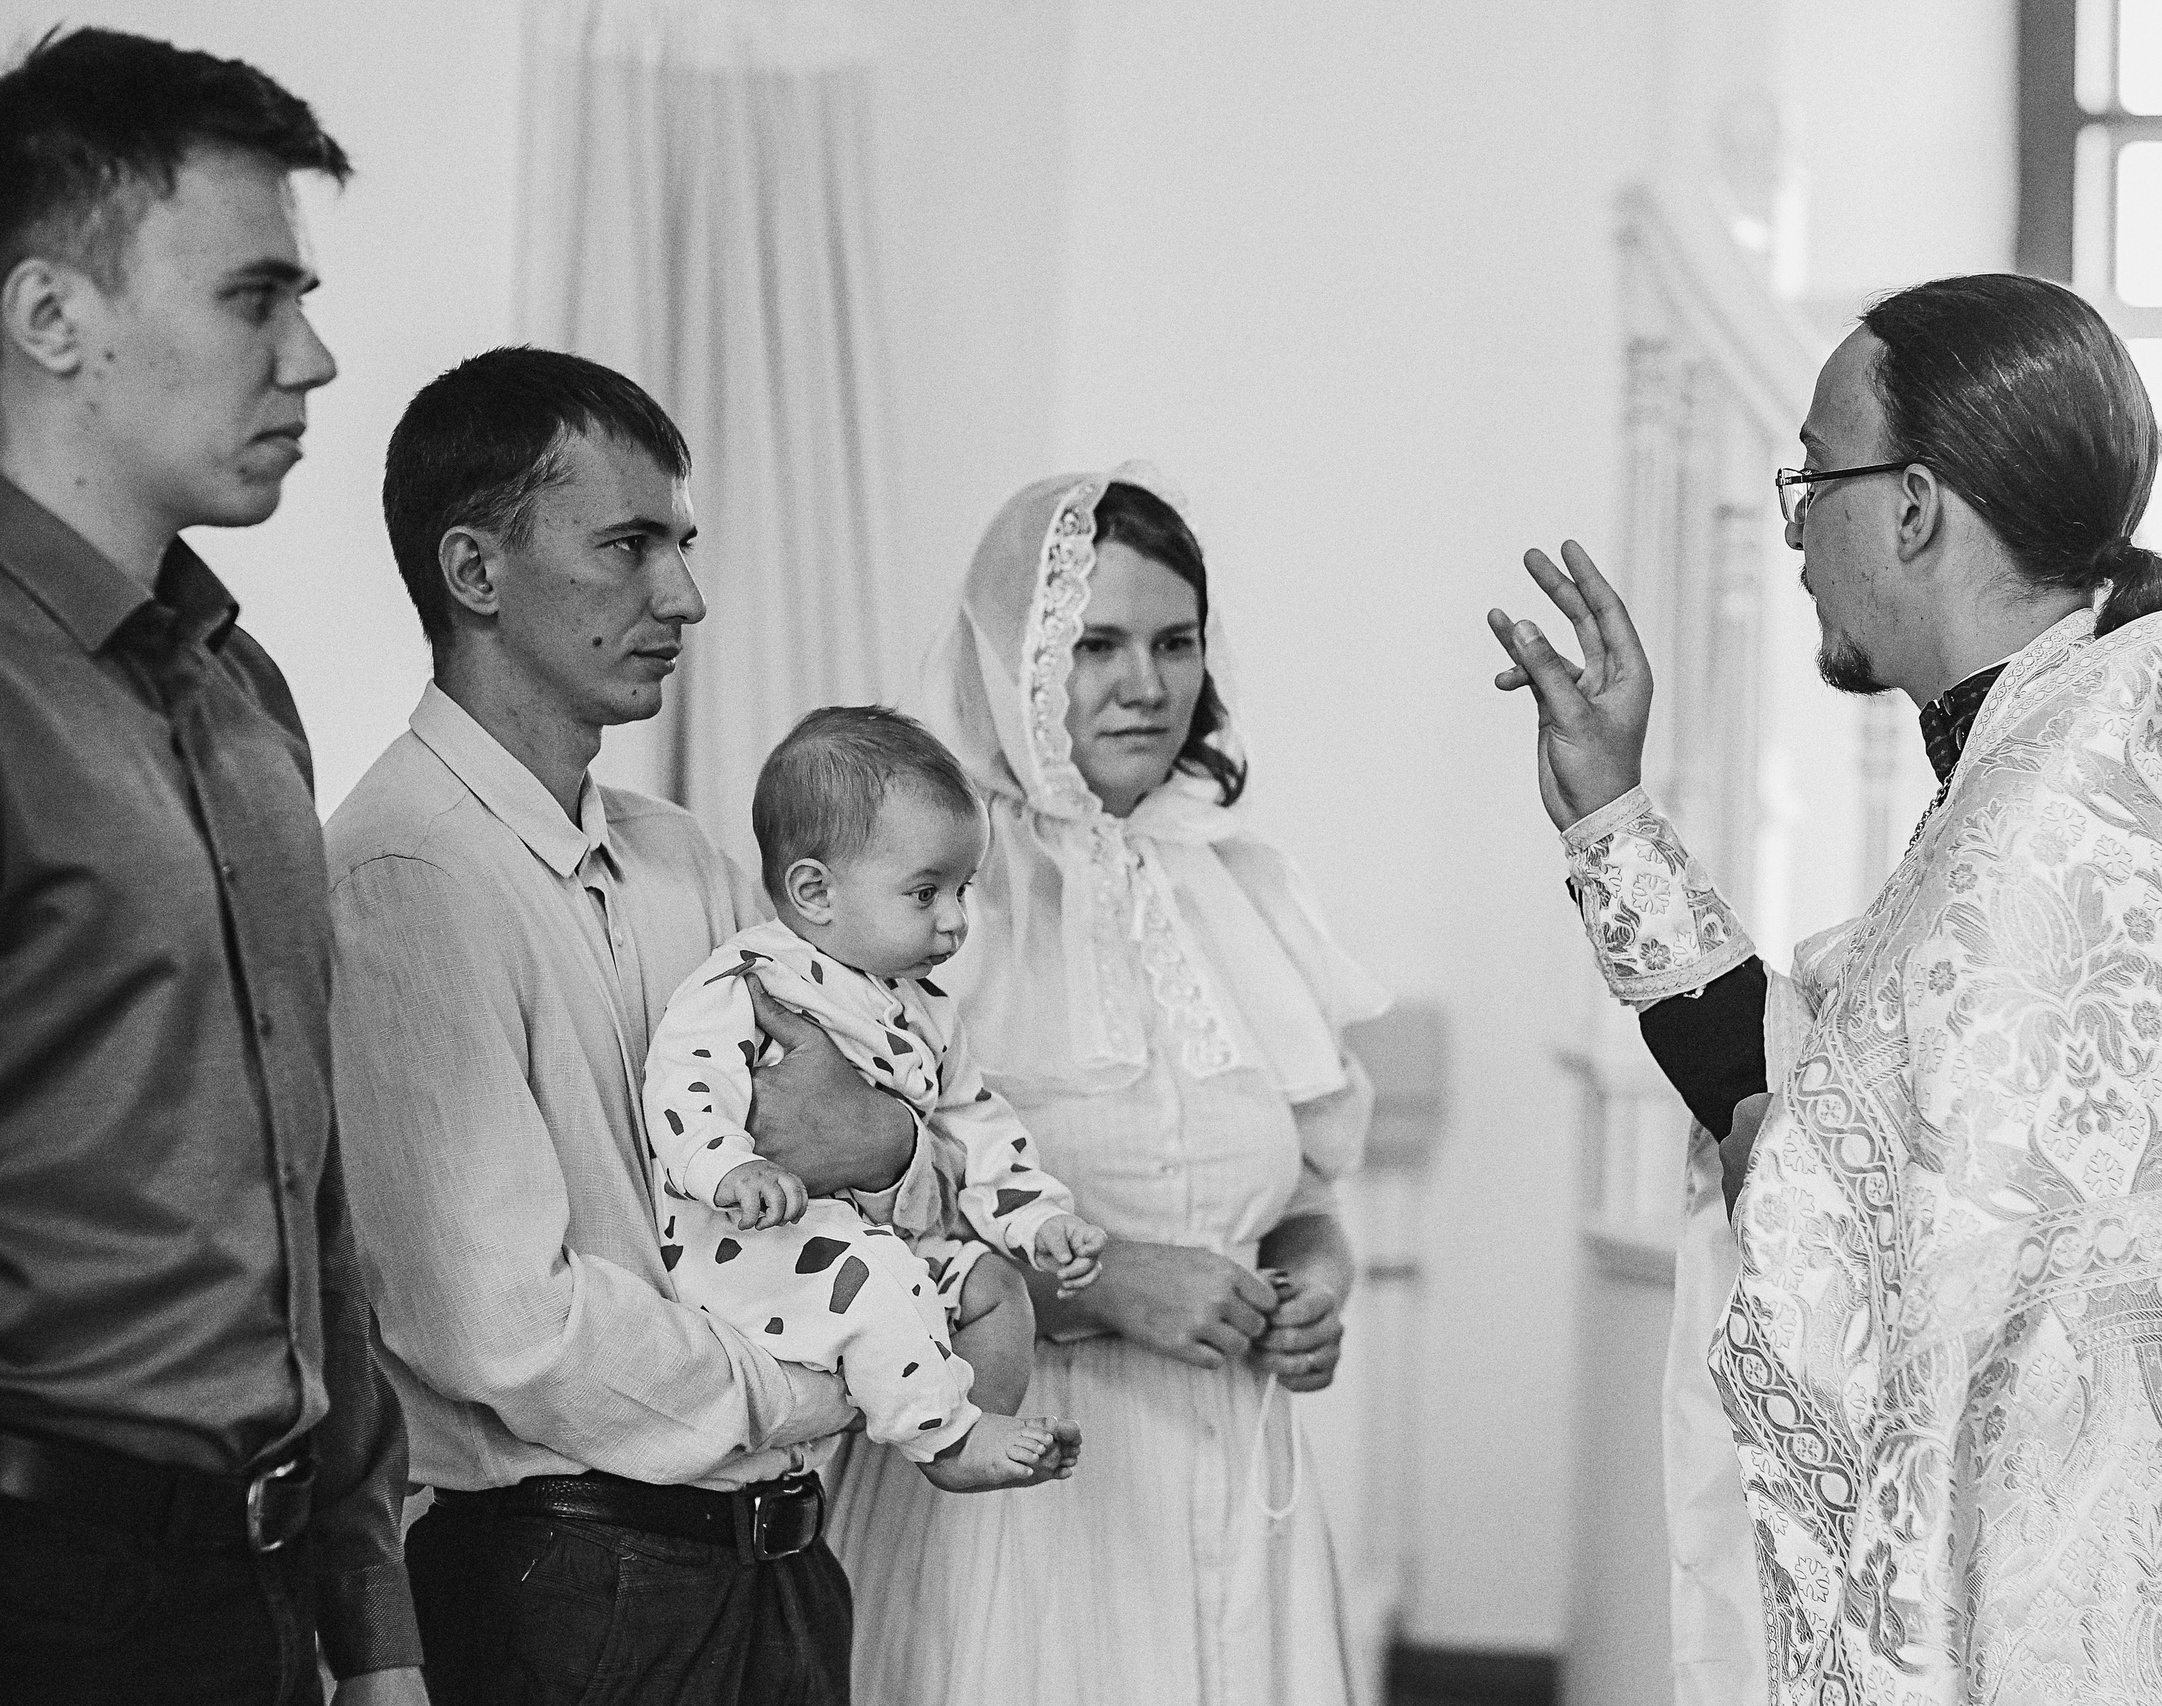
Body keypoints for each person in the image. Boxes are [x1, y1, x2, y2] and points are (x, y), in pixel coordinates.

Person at [1489, 274, 2162, 1704]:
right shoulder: (2107, 767)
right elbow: (1838, 1086)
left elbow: (1833, 1211)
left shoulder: (2050, 831)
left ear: (1914, 504)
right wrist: (1610, 820)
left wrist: (1788, 1156)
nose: (1798, 527)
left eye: (1815, 474)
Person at [328, 347, 934, 1706]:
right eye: (629, 545)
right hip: (571, 1593)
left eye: (684, 541)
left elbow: (881, 1140)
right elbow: (506, 1327)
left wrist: (886, 1145)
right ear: (475, 572)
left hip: (779, 1568)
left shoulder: (687, 859)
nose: (686, 594)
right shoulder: (400, 876)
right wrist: (818, 1378)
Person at [0, 28, 425, 1705]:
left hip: (254, 1599)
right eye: (257, 298)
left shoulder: (242, 701)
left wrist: (368, 1630)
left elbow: (310, 1212)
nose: (313, 357)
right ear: (54, 319)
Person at [824, 470, 1391, 1704]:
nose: (1146, 683)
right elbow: (847, 1241)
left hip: (1240, 1472)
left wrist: (1315, 1281)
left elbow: (1302, 1189)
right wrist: (1105, 1284)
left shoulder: (1244, 883)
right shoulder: (925, 893)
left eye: (1175, 641)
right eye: (1097, 644)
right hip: (1023, 1491)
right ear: (1014, 656)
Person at [641, 704, 1107, 1490]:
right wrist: (727, 1168)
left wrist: (1037, 1218)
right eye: (926, 894)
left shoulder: (926, 1006)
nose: (957, 921)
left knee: (993, 1287)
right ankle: (949, 1441)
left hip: (879, 1236)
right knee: (877, 1280)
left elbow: (976, 1120)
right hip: (759, 1244)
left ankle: (971, 1429)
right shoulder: (753, 980)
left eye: (963, 889)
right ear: (816, 892)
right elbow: (684, 1080)